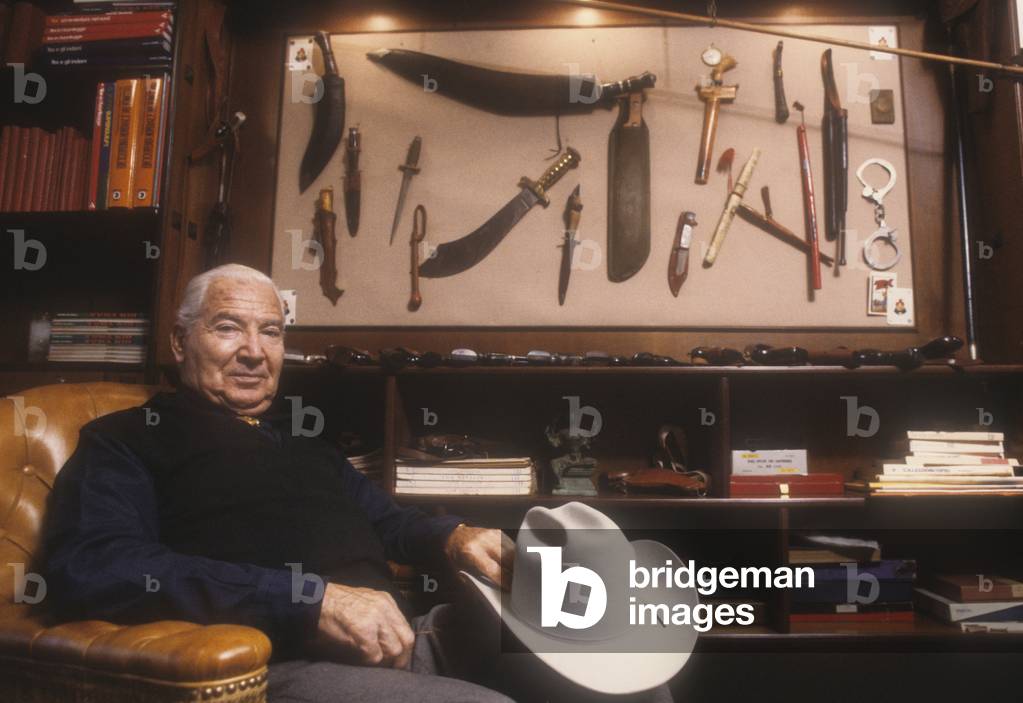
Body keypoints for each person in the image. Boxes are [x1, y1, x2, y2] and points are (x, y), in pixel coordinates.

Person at [43, 264, 516, 702]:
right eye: (228, 327)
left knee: (576, 648)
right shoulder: (127, 436)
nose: (253, 352)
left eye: (270, 332)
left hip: (408, 637)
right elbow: (94, 566)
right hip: (277, 663)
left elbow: (391, 522)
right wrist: (306, 600)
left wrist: (454, 536)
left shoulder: (308, 449)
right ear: (179, 341)